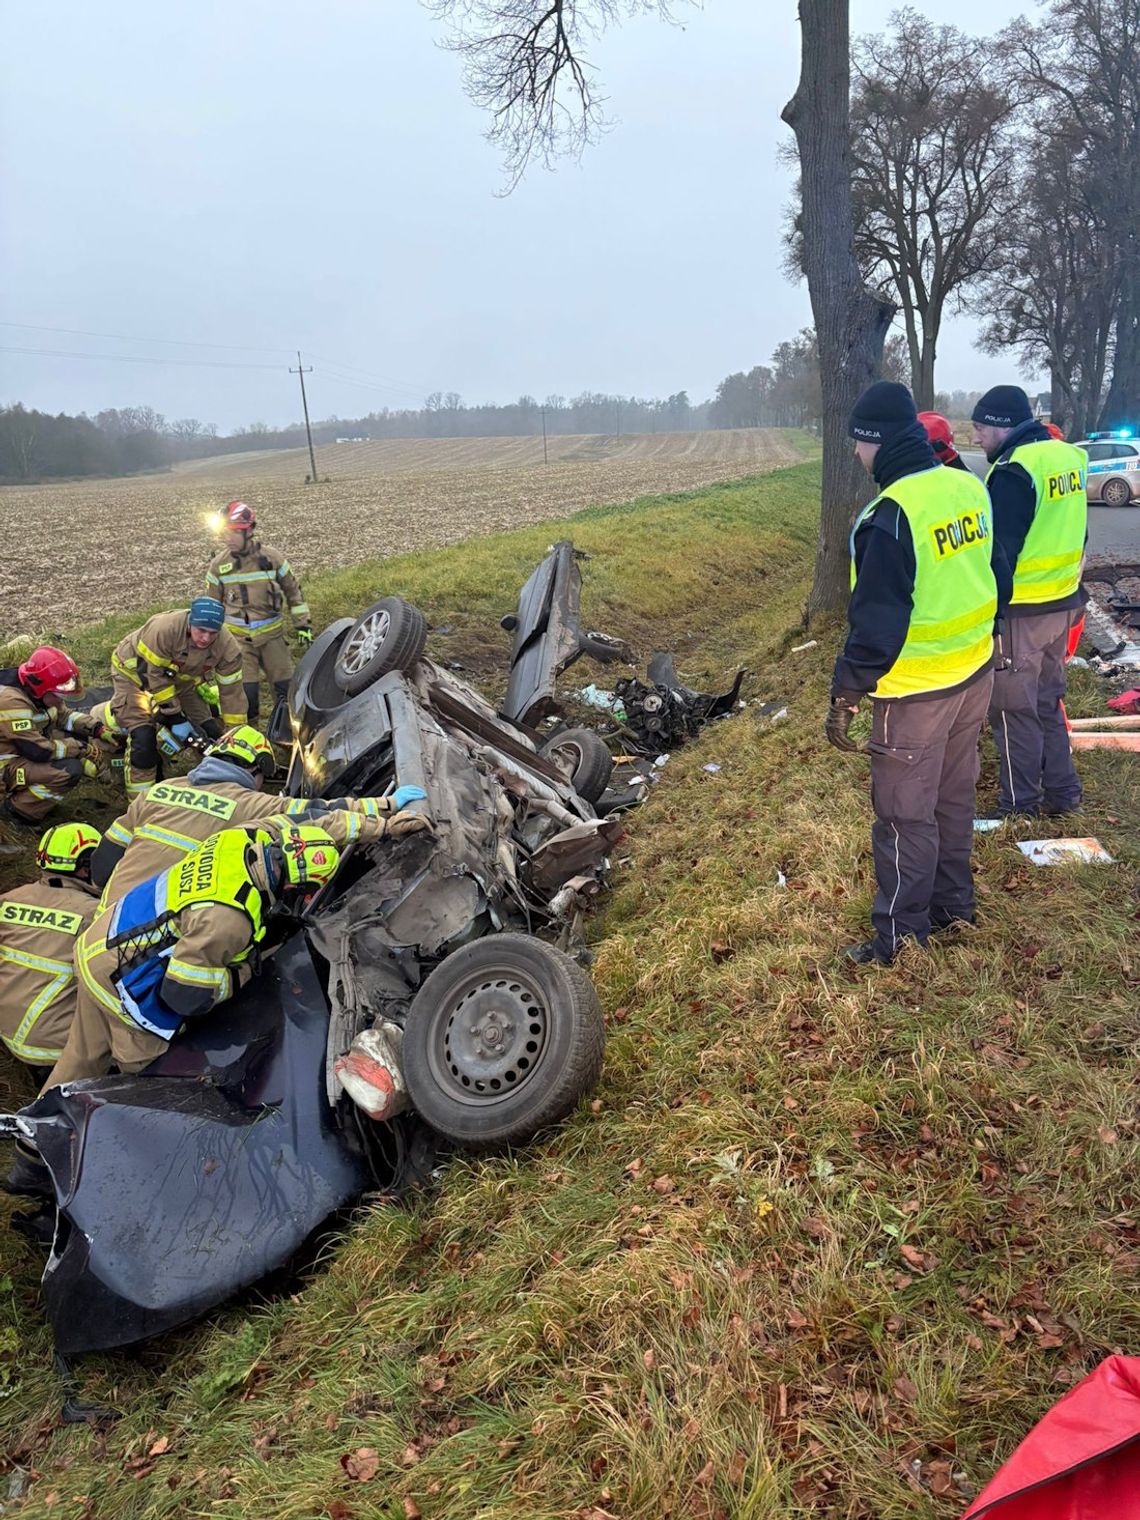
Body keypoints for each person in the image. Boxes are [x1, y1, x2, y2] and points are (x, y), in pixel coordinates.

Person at [42, 809, 433, 1093]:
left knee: (79, 1059)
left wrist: (380, 824)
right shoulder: (230, 919)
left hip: (102, 940)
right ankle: (101, 1150)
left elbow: (316, 822)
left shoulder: (247, 838)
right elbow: (183, 994)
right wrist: (244, 970)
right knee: (149, 1078)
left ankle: (32, 1149)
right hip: (121, 983)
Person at [826, 381, 1009, 965]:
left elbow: (876, 626)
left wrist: (846, 693)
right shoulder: (967, 485)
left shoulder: (890, 516)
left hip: (916, 694)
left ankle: (901, 939)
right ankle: (954, 907)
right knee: (953, 800)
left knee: (905, 817)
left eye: (858, 443)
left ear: (876, 442)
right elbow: (994, 568)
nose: (856, 455)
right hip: (972, 676)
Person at [90, 723, 428, 903]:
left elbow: (103, 864)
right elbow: (318, 814)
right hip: (159, 931)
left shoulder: (159, 792)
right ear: (255, 771)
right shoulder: (250, 804)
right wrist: (386, 811)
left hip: (110, 914)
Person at [972, 385, 1088, 817]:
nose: (977, 438)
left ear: (1002, 427)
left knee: (1011, 711)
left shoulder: (1014, 471)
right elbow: (1080, 531)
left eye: (981, 428)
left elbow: (999, 554)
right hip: (1063, 604)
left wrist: (991, 615)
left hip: (1023, 611)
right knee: (1046, 700)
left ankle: (1020, 807)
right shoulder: (1069, 456)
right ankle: (1063, 794)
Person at [110, 599, 246, 798]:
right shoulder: (164, 630)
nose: (206, 638)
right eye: (201, 630)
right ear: (190, 621)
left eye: (213, 633)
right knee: (143, 739)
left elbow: (232, 694)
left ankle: (219, 788)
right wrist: (175, 717)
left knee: (211, 733)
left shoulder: (227, 648)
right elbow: (149, 674)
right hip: (134, 677)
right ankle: (141, 802)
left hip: (180, 683)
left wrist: (235, 734)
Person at [0, 823, 102, 1073]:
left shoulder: (9, 899)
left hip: (5, 1028)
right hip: (54, 1052)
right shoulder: (95, 914)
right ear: (86, 866)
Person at [204, 501, 312, 722]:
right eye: (224, 533)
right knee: (247, 697)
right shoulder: (218, 565)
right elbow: (211, 608)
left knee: (286, 693)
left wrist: (303, 624)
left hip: (273, 639)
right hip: (238, 643)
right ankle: (252, 745)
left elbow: (294, 592)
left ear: (249, 531)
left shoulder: (272, 558)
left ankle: (289, 740)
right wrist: (209, 646)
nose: (226, 538)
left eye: (232, 533)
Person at [1, 646, 114, 825]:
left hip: (23, 749)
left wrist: (97, 729)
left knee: (72, 750)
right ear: (39, 689)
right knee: (69, 770)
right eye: (58, 695)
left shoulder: (41, 694)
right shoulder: (11, 702)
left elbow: (65, 716)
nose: (61, 700)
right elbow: (38, 751)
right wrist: (82, 749)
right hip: (6, 765)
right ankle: (20, 812)